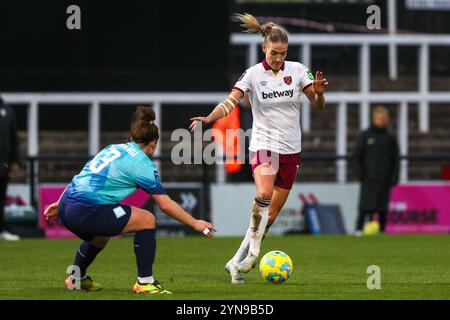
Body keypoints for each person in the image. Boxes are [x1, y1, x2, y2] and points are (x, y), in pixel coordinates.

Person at [189, 14, 328, 284]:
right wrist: (210, 117)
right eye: (274, 53)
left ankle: (235, 261)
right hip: (264, 144)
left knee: (270, 216)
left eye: (283, 53)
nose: (278, 58)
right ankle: (253, 255)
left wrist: (320, 94)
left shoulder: (298, 70)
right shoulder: (252, 74)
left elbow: (317, 105)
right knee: (263, 193)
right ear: (263, 48)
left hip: (291, 150)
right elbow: (231, 101)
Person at [44, 106, 216, 294]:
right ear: (153, 143)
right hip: (86, 211)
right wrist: (195, 223)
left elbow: (81, 175)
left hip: (67, 205)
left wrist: (60, 204)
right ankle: (145, 282)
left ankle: (76, 277)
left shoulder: (113, 148)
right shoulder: (142, 164)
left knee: (101, 236)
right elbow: (165, 205)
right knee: (147, 219)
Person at [353, 106, 400, 235]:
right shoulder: (365, 135)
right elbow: (357, 156)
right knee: (364, 206)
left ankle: (382, 231)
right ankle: (358, 230)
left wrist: (395, 176)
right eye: (378, 118)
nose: (380, 121)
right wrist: (360, 174)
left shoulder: (390, 137)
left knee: (382, 207)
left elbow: (396, 158)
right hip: (368, 178)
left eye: (382, 118)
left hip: (385, 178)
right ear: (374, 119)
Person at [0, 94, 21, 241]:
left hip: (3, 164)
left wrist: (15, 161)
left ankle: (1, 229)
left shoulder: (7, 111)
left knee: (1, 198)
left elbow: (14, 139)